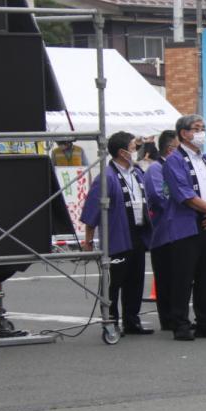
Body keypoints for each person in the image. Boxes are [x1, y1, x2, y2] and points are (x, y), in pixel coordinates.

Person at [163, 114, 206, 340]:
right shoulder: (174, 160)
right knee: (183, 276)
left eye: (204, 128)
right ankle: (180, 323)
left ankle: (205, 321)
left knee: (205, 275)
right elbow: (185, 194)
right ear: (184, 133)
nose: (202, 133)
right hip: (186, 225)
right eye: (197, 128)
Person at [81, 131, 152, 335]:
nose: (136, 150)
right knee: (113, 283)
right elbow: (92, 209)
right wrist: (88, 240)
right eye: (133, 146)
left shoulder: (137, 173)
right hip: (117, 236)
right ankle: (110, 321)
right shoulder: (107, 177)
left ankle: (132, 320)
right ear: (122, 152)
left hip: (137, 233)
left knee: (135, 280)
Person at [144, 129, 178, 330]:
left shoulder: (178, 166)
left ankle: (177, 315)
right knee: (166, 277)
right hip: (164, 230)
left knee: (178, 277)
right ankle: (168, 319)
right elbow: (158, 197)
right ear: (170, 148)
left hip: (181, 229)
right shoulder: (156, 169)